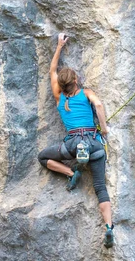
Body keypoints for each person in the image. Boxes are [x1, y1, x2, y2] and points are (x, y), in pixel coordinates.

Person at [38, 34, 114, 248]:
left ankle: (73, 172)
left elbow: (52, 71)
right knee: (100, 187)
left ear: (62, 85)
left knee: (43, 157)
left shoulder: (59, 97)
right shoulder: (86, 93)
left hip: (71, 144)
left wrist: (59, 46)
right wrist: (104, 128)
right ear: (76, 81)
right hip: (94, 143)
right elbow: (98, 106)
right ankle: (108, 227)